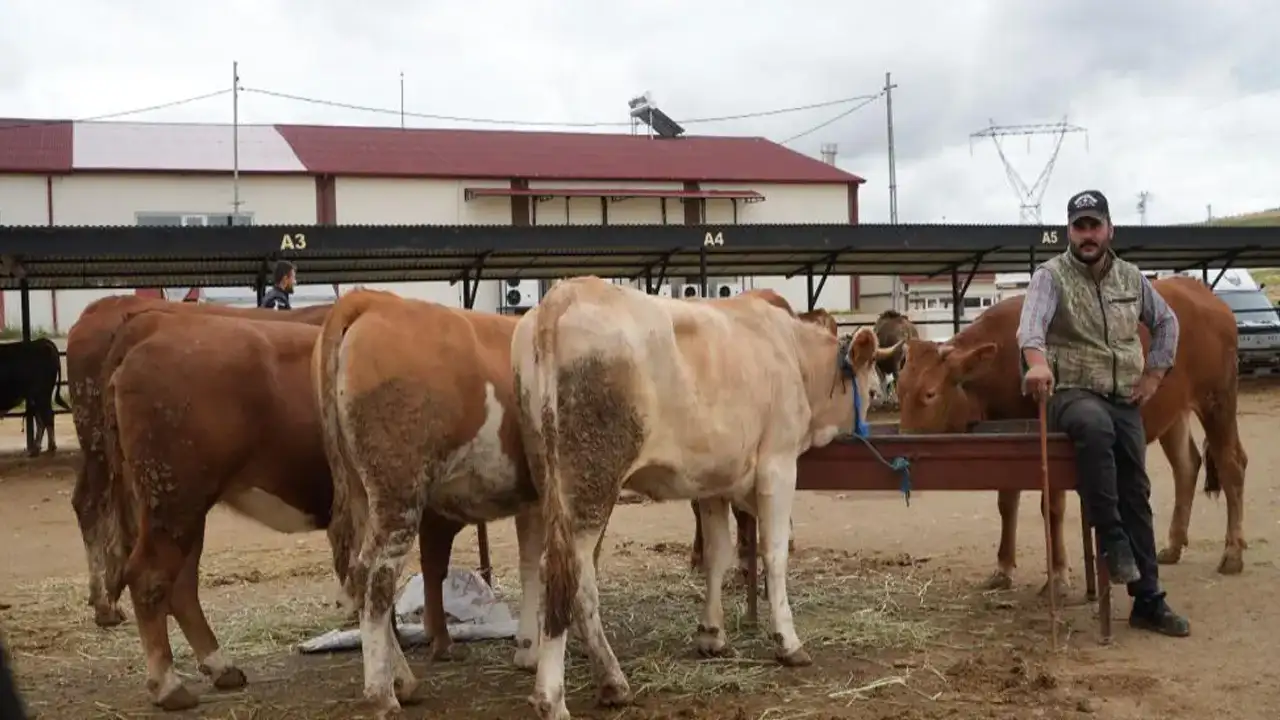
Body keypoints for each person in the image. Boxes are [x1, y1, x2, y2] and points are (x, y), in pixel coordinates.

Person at [1016, 189, 1190, 638]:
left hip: (1125, 397)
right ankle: (1112, 541)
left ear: (1109, 229)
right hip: (1072, 392)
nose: (1088, 234)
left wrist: (1154, 375)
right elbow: (1031, 328)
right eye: (1080, 226)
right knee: (1094, 429)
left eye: (1095, 225)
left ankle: (1148, 599)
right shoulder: (1050, 276)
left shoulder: (1132, 279)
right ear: (1069, 231)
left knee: (1136, 486)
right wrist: (1037, 364)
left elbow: (1167, 321)